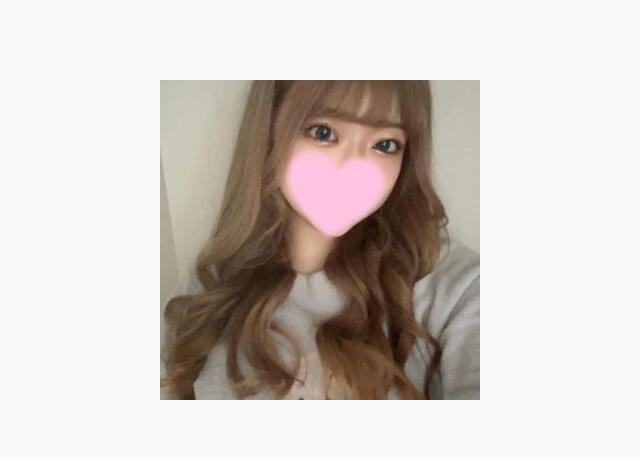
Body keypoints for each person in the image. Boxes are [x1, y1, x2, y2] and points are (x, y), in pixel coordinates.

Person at [161, 80, 480, 400]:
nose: (355, 168)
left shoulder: (454, 288)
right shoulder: (206, 291)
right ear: (269, 131)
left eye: (385, 145)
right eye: (323, 132)